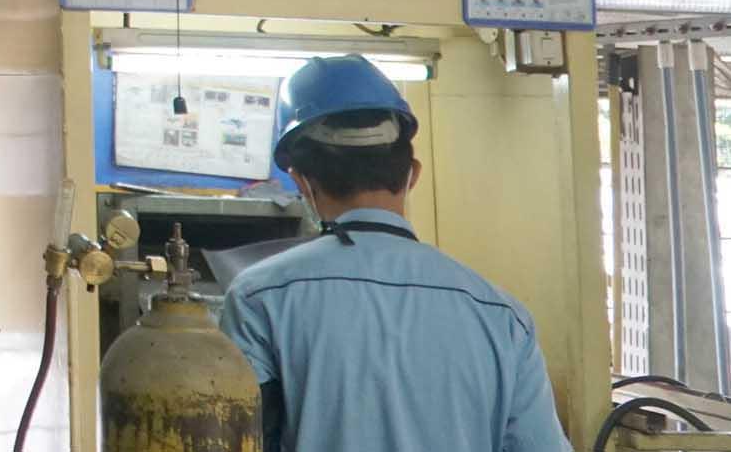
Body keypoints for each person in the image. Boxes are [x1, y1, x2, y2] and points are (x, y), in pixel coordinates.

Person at [217, 56, 566, 452]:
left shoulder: (260, 298)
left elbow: (236, 437)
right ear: (411, 175)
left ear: (302, 182)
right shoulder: (503, 316)